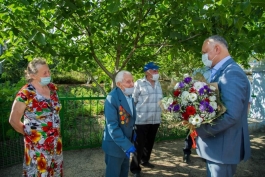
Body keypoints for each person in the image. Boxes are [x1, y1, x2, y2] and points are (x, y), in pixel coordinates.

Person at [195, 35, 251, 177]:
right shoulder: (221, 72)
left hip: (223, 149)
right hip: (218, 148)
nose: (203, 56)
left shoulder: (231, 73)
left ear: (217, 49)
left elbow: (231, 114)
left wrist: (203, 129)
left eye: (205, 52)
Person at [9, 58, 63, 176]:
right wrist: (31, 135)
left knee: (55, 172)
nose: (48, 74)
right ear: (32, 75)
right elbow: (13, 120)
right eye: (44, 73)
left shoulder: (52, 89)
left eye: (48, 71)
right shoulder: (25, 93)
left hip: (55, 144)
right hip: (37, 147)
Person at [130, 62, 163, 177]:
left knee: (149, 142)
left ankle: (145, 160)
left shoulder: (158, 84)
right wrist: (132, 117)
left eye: (157, 71)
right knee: (139, 144)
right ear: (147, 72)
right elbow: (133, 100)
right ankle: (135, 168)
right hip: (142, 119)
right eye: (154, 70)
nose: (157, 72)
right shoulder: (139, 83)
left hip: (155, 119)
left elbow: (160, 100)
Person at [102, 70, 136, 177]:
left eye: (132, 81)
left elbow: (130, 119)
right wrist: (127, 145)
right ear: (119, 84)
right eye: (128, 82)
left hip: (126, 143)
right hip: (115, 147)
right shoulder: (112, 98)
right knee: (113, 174)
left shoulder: (129, 95)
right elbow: (112, 126)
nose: (132, 84)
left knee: (124, 172)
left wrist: (133, 134)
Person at [183, 66, 211, 163]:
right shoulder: (197, 72)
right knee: (189, 132)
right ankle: (186, 153)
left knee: (203, 132)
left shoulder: (213, 75)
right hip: (192, 110)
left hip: (204, 111)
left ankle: (204, 154)